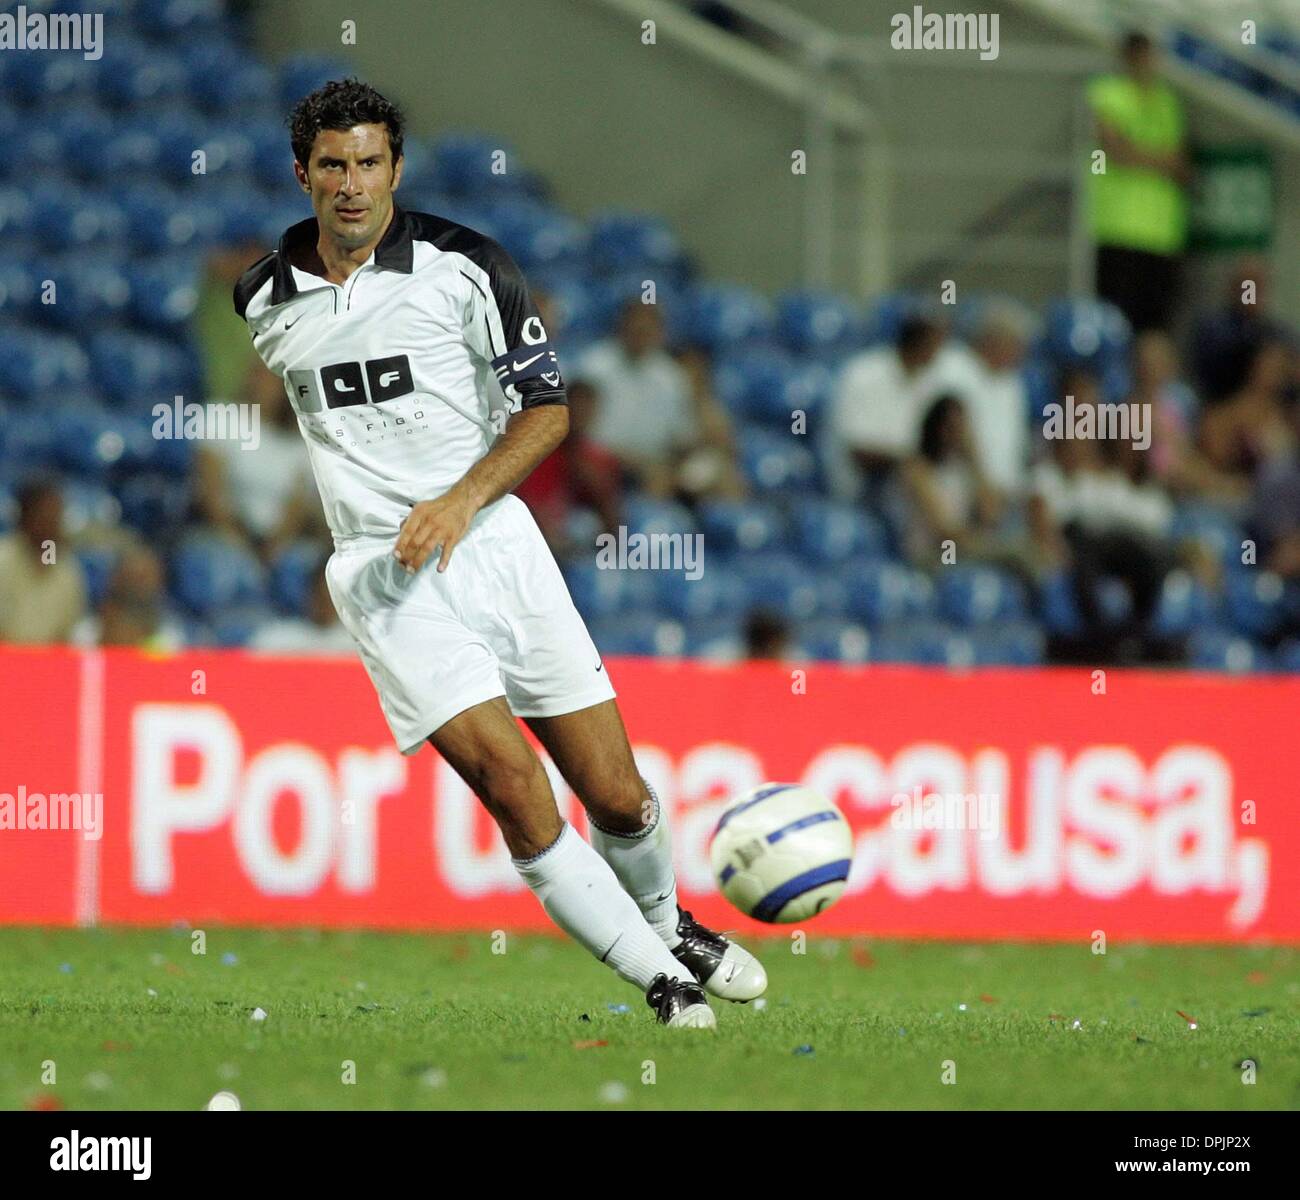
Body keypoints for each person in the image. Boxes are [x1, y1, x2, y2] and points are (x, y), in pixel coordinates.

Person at [233, 79, 764, 1027]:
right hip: (383, 573)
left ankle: (667, 922)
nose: (351, 185)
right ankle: (661, 980)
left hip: (493, 545)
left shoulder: (468, 267)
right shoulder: (265, 299)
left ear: (397, 167)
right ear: (301, 173)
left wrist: (459, 499)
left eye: (368, 163)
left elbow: (548, 410)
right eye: (331, 166)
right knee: (514, 786)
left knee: (618, 796)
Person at [1086, 30, 1190, 332]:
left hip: (1162, 233)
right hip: (1117, 227)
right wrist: (1161, 161)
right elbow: (1116, 152)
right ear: (1128, 57)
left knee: (1154, 324)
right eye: (1143, 57)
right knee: (1115, 321)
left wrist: (1142, 156)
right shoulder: (1105, 92)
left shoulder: (1167, 101)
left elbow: (1181, 162)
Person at [193, 360, 324, 560]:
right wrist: (236, 539)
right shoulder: (221, 416)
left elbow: (297, 507)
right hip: (222, 532)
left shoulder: (300, 441)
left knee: (303, 563)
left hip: (277, 542)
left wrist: (273, 549)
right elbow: (210, 490)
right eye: (259, 374)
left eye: (272, 380)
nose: (261, 383)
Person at [574, 301, 701, 498]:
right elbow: (579, 433)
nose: (640, 335)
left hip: (656, 463)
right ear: (622, 327)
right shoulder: (594, 367)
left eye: (647, 330)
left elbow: (682, 438)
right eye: (635, 328)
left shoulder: (671, 377)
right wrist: (631, 461)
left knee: (709, 473)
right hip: (599, 459)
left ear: (660, 333)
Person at [828, 312, 949, 501]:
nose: (941, 352)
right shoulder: (864, 373)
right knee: (915, 471)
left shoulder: (930, 380)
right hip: (859, 483)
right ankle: (953, 531)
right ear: (919, 342)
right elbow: (858, 451)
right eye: (937, 344)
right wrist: (906, 460)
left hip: (902, 484)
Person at [513, 379, 622, 556]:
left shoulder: (601, 459)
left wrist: (594, 486)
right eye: (577, 407)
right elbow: (526, 507)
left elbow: (614, 525)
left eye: (587, 409)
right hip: (537, 544)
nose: (581, 414)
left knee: (585, 525)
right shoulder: (537, 451)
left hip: (585, 550)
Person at [0, 475, 87, 645]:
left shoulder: (67, 571)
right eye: (45, 515)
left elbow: (68, 635)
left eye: (56, 515)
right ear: (25, 516)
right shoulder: (3, 559)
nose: (52, 523)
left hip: (47, 665)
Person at [249, 555, 356, 654]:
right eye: (320, 596)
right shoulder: (276, 638)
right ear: (308, 594)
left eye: (330, 597)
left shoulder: (355, 642)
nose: (324, 604)